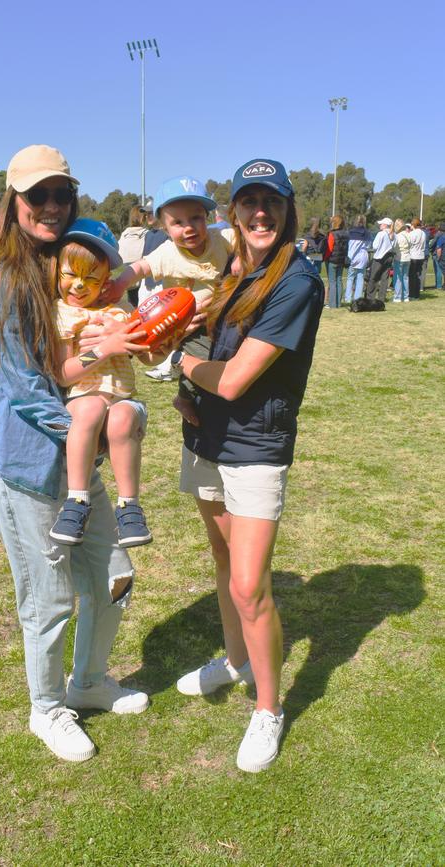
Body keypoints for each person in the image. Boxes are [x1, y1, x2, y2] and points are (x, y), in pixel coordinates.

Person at [0, 144, 149, 764]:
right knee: (47, 597)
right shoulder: (0, 276)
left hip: (76, 462)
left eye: (61, 194)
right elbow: (22, 385)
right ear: (14, 201)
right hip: (24, 465)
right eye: (37, 195)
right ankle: (46, 708)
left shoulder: (70, 267)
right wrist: (94, 433)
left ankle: (89, 681)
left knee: (113, 574)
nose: (51, 206)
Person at [172, 158, 323, 773]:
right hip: (206, 434)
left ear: (288, 213)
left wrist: (182, 366)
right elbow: (220, 353)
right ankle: (235, 661)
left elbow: (233, 380)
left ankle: (268, 708)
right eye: (249, 203)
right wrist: (190, 388)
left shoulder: (296, 281)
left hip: (255, 447)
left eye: (273, 204)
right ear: (233, 213)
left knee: (248, 584)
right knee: (222, 557)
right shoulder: (237, 273)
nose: (261, 214)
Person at [48, 218, 152, 548]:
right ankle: (76, 501)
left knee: (121, 417)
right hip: (84, 396)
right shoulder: (63, 314)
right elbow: (63, 373)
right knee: (91, 407)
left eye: (91, 278)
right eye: (71, 275)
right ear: (56, 270)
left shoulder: (120, 308)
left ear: (106, 279)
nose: (79, 286)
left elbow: (147, 354)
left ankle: (130, 507)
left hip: (121, 397)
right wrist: (104, 349)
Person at [107, 176, 236, 423]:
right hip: (186, 324)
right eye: (178, 222)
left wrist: (240, 261)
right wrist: (119, 285)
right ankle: (185, 399)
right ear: (165, 228)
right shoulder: (168, 252)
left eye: (196, 218)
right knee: (202, 357)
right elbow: (140, 267)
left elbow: (246, 243)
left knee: (228, 354)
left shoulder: (222, 239)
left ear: (207, 218)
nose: (189, 227)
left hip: (219, 315)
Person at [117, 205, 149, 308]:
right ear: (144, 218)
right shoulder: (147, 234)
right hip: (143, 275)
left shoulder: (124, 234)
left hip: (127, 275)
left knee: (132, 306)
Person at [343, 215, 372, 305]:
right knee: (360, 278)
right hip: (362, 258)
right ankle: (357, 298)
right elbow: (368, 246)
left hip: (352, 257)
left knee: (350, 278)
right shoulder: (367, 233)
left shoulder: (350, 232)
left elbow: (347, 245)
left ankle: (348, 298)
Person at [365, 217, 395, 303]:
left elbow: (375, 246)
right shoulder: (393, 234)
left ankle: (370, 297)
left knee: (373, 278)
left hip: (379, 258)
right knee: (384, 279)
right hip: (389, 257)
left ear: (385, 225)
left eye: (381, 224)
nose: (380, 225)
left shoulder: (381, 234)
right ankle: (381, 298)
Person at [323, 214, 349, 308]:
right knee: (339, 280)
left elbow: (329, 248)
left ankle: (332, 304)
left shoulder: (332, 234)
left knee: (332, 282)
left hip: (332, 260)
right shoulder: (346, 234)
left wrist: (325, 258)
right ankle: (338, 303)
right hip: (341, 260)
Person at [391, 219, 411, 303]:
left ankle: (397, 297)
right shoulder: (408, 234)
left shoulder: (397, 236)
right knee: (405, 278)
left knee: (398, 278)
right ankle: (406, 297)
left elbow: (394, 247)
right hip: (407, 258)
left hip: (399, 258)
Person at [407, 218, 425, 300]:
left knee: (412, 276)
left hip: (413, 256)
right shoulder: (423, 233)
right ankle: (417, 294)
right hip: (421, 256)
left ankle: (411, 294)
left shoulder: (412, 233)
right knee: (418, 276)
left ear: (413, 224)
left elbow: (409, 243)